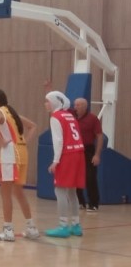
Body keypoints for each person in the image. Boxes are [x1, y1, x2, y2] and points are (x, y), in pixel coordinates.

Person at [0, 89, 40, 241]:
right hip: (22, 153)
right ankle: (31, 228)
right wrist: (25, 142)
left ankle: (8, 230)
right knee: (18, 192)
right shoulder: (12, 113)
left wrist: (1, 141)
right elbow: (33, 126)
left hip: (10, 154)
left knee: (5, 193)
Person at [44, 90, 85, 238]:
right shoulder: (69, 115)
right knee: (72, 191)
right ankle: (76, 225)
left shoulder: (56, 117)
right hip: (79, 153)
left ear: (55, 102)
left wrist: (55, 161)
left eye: (47, 101)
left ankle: (63, 226)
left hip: (67, 154)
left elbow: (58, 140)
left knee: (60, 190)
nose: (45, 104)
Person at [73, 98, 104, 212]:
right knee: (75, 176)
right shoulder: (72, 117)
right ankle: (80, 202)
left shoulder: (92, 119)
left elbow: (99, 136)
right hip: (75, 149)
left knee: (90, 177)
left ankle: (93, 203)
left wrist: (97, 155)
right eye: (75, 105)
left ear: (85, 107)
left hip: (88, 150)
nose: (75, 107)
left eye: (78, 105)